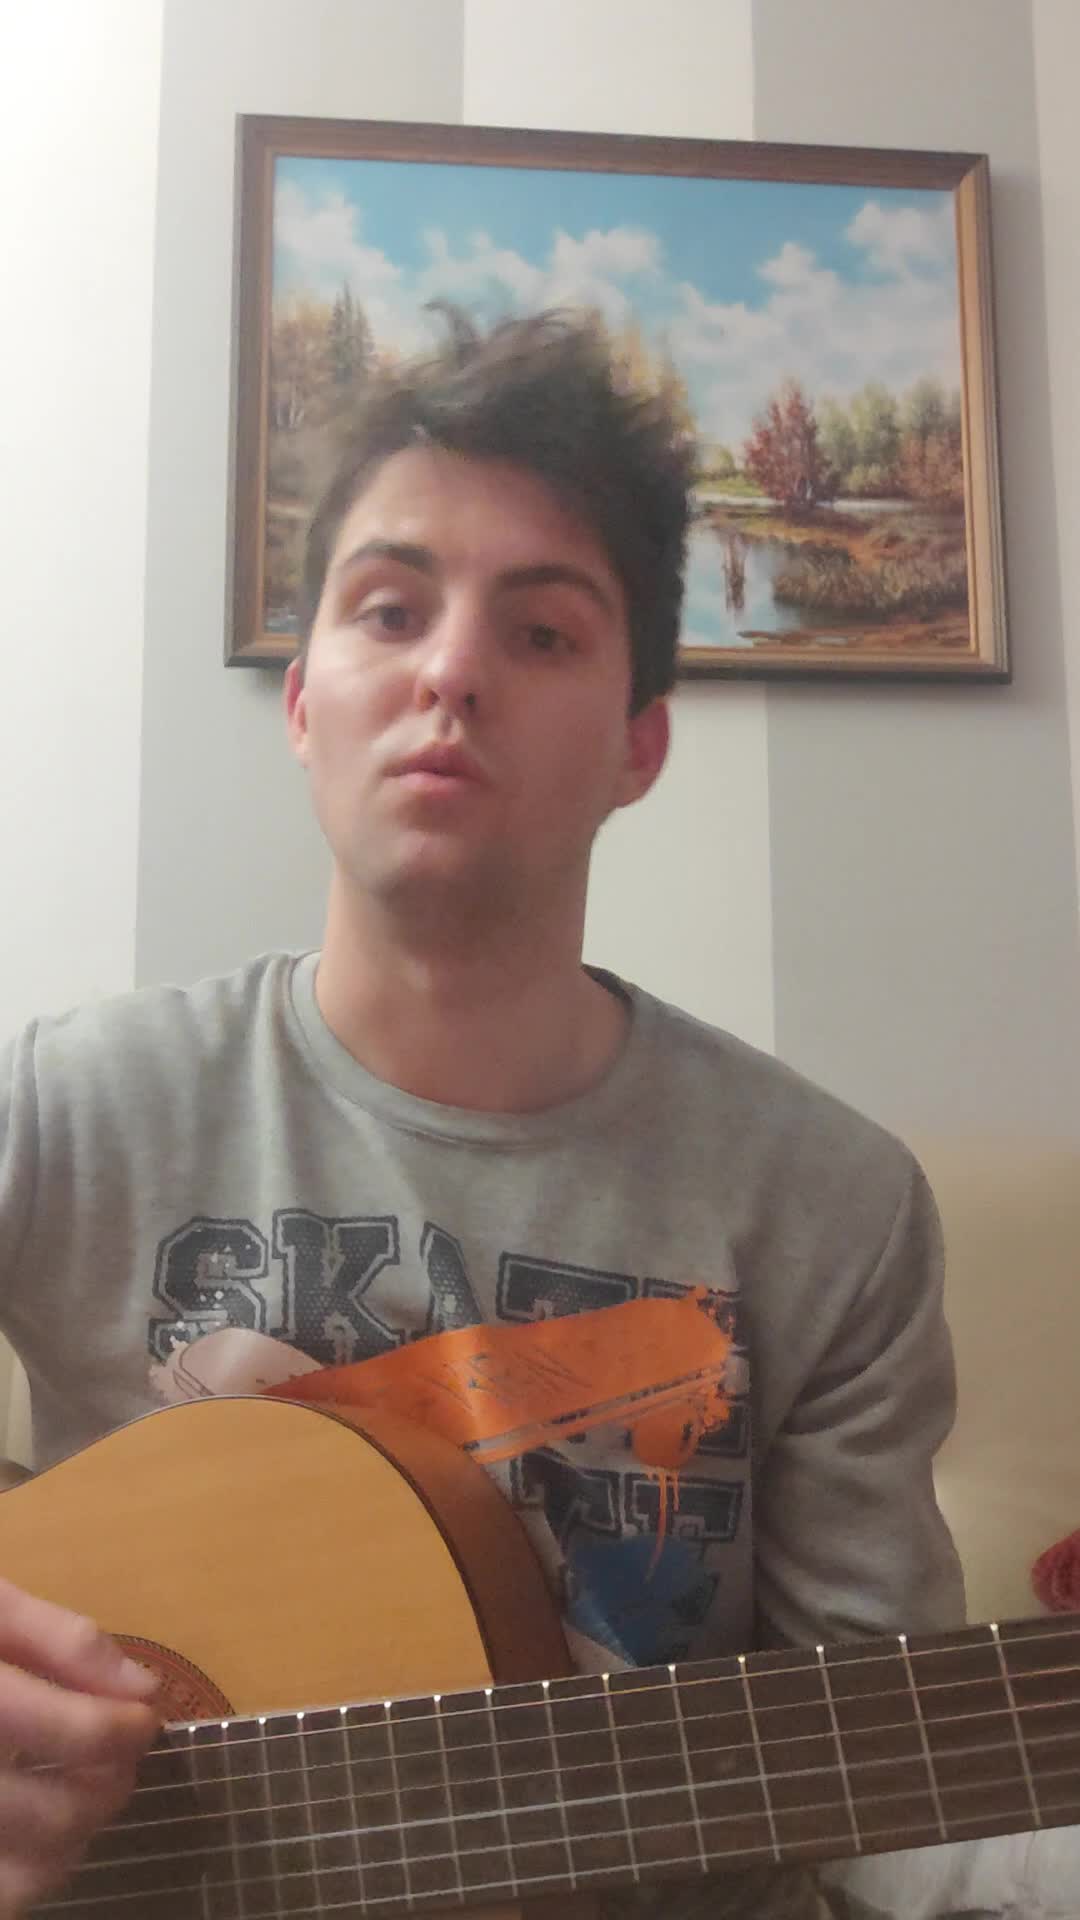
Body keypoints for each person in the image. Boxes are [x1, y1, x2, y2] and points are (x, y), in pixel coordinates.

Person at [0, 310, 963, 1917]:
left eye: (542, 633)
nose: (449, 670)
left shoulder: (833, 1203)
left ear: (639, 747)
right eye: (391, 610)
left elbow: (892, 1787)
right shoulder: (64, 1111)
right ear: (303, 704)